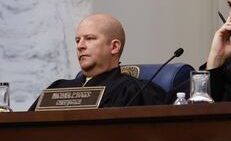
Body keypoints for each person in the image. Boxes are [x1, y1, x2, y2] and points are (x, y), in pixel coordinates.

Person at [29, 14, 166, 110]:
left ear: (114, 47)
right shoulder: (58, 88)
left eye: (89, 38)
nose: (80, 46)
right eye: (77, 40)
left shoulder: (132, 90)